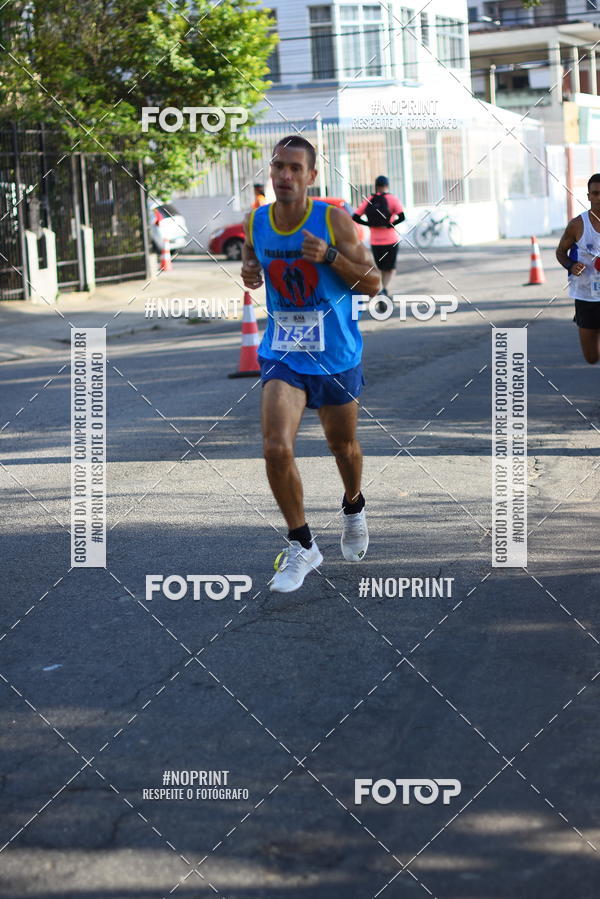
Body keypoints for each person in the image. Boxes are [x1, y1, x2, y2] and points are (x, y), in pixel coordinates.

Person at [241, 136, 381, 593]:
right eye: (278, 166)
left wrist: (330, 256)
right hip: (284, 353)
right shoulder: (256, 220)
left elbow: (373, 284)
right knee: (275, 447)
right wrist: (249, 270)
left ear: (311, 176)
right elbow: (251, 255)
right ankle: (302, 545)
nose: (284, 175)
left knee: (343, 446)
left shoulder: (332, 220)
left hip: (336, 354)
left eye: (295, 168)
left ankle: (353, 506)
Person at [556, 173, 600, 364]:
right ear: (589, 196)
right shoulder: (577, 225)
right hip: (586, 297)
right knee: (591, 358)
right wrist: (571, 265)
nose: (599, 198)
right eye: (595, 193)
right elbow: (560, 252)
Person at [352, 176, 405, 297]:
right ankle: (384, 289)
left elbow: (355, 217)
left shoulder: (369, 199)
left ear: (376, 186)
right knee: (390, 268)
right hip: (391, 241)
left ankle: (381, 289)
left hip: (375, 242)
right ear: (387, 185)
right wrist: (390, 224)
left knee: (380, 268)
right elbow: (402, 217)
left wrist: (369, 224)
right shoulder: (392, 199)